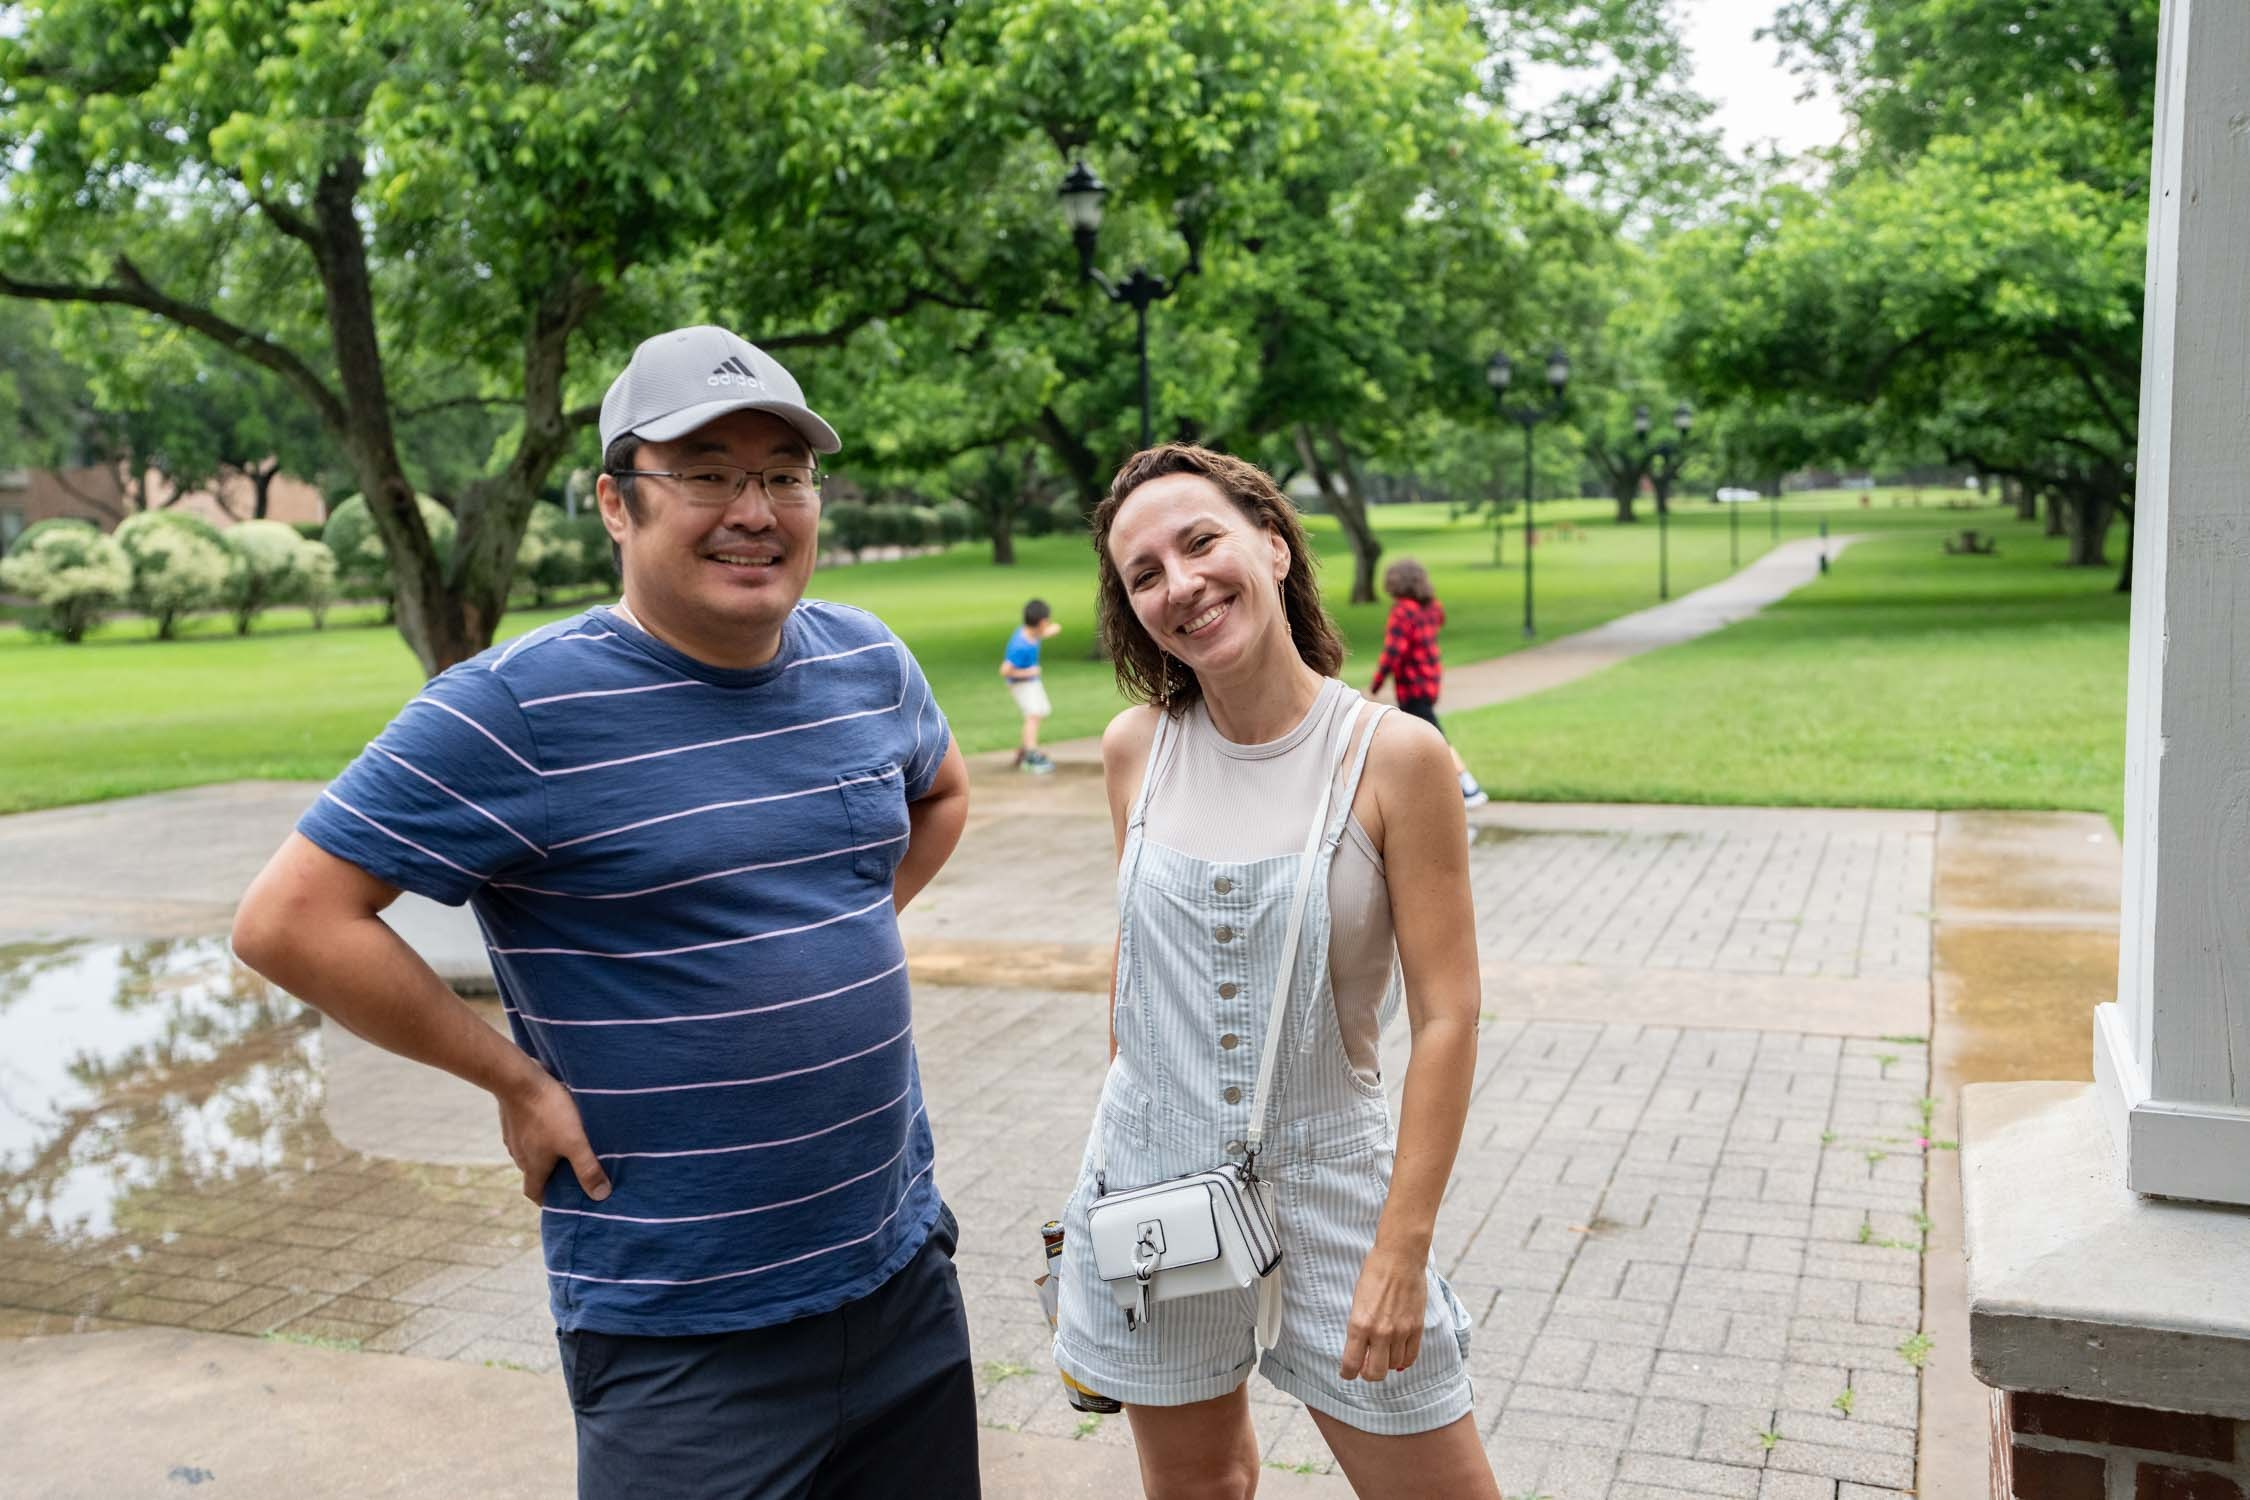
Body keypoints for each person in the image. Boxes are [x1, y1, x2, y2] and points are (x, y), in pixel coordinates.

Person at [230, 325, 978, 1500]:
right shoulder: (513, 709)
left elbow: (939, 790)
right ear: (615, 505)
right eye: (708, 473)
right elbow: (291, 917)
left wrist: (834, 929)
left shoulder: (868, 661)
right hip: (683, 1336)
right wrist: (514, 1082)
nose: (757, 508)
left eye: (785, 474)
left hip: (899, 1281)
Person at [1051, 445, 1500, 1500]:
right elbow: (1136, 962)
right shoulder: (1135, 750)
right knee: (1201, 1488)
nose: (1182, 583)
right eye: (1144, 572)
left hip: (1335, 1186)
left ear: (1272, 541)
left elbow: (1448, 1015)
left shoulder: (1394, 758)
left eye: (1200, 540)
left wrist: (1402, 1248)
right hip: (1154, 1184)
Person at [1369, 559, 1488, 809]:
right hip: (1429, 682)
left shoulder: (1403, 611)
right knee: (1418, 736)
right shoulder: (1431, 608)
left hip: (1412, 685)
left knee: (1435, 736)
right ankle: (1420, 789)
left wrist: (1375, 685)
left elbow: (1394, 651)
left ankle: (1468, 786)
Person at [1002, 597, 1062, 774]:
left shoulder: (1030, 633)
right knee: (1034, 714)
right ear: (1042, 622)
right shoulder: (1020, 646)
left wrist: (1051, 631)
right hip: (1021, 684)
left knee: (1042, 710)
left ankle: (1025, 748)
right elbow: (1005, 670)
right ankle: (1030, 754)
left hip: (1030, 683)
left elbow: (1041, 634)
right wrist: (1029, 672)